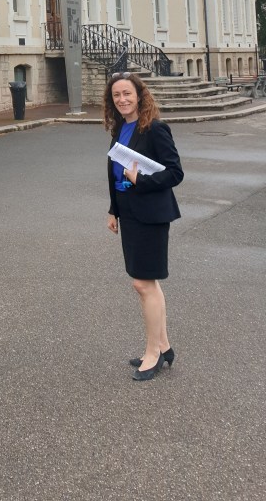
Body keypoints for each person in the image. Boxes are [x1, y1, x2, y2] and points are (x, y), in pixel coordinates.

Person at [104, 72, 184, 381]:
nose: (122, 99)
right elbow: (116, 173)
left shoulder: (155, 129)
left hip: (151, 214)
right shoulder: (120, 129)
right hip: (129, 212)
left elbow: (175, 172)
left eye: (127, 93)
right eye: (116, 95)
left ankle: (153, 354)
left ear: (139, 96)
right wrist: (113, 210)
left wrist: (142, 180)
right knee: (147, 283)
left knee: (143, 284)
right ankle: (163, 346)